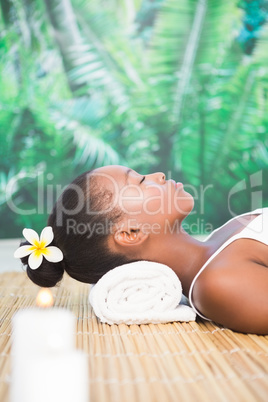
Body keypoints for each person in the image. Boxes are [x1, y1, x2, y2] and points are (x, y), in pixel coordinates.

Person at [16, 165, 268, 334]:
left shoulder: (220, 238)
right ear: (130, 233)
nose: (158, 175)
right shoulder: (220, 284)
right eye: (140, 181)